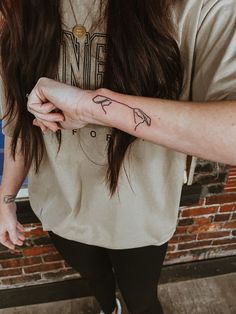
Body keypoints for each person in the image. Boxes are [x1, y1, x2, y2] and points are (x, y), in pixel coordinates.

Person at [0, 0, 235, 313]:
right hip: (61, 211)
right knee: (98, 285)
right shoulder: (18, 9)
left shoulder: (200, 7)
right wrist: (6, 199)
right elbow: (18, 126)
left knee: (143, 300)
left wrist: (92, 106)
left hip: (139, 218)